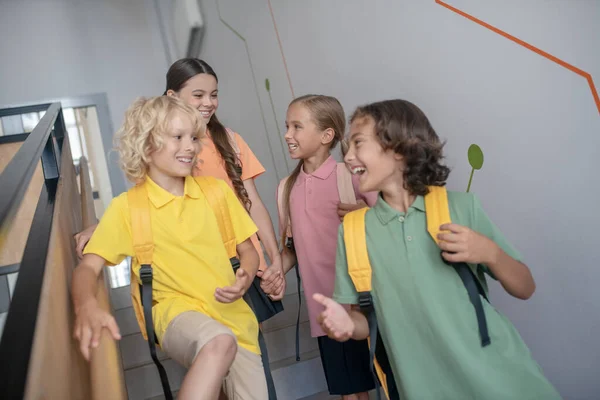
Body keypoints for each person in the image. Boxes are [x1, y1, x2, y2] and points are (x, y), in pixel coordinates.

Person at [314, 99, 562, 399]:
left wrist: (490, 253)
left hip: (500, 379)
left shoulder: (462, 207)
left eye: (358, 143)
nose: (348, 156)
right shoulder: (353, 232)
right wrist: (346, 326)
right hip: (421, 388)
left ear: (400, 149)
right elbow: (366, 323)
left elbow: (525, 287)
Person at [72, 96, 271, 400]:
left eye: (193, 137)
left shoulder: (216, 193)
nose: (190, 146)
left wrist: (245, 275)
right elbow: (88, 267)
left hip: (235, 319)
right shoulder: (128, 208)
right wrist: (86, 305)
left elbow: (248, 251)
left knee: (227, 344)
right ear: (145, 145)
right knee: (218, 342)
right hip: (174, 312)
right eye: (177, 137)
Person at [74, 58, 285, 300]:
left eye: (213, 95)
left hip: (241, 266)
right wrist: (103, 227)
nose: (208, 103)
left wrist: (274, 259)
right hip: (193, 274)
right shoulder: (163, 151)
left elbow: (253, 204)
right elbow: (148, 205)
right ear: (173, 96)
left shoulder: (231, 140)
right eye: (198, 95)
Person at [273, 95, 377, 399]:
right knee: (350, 392)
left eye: (296, 127)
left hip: (365, 303)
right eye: (286, 126)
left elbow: (390, 223)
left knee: (384, 382)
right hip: (325, 311)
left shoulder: (351, 176)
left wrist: (364, 212)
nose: (287, 135)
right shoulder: (286, 189)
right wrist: (274, 270)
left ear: (326, 135)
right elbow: (292, 248)